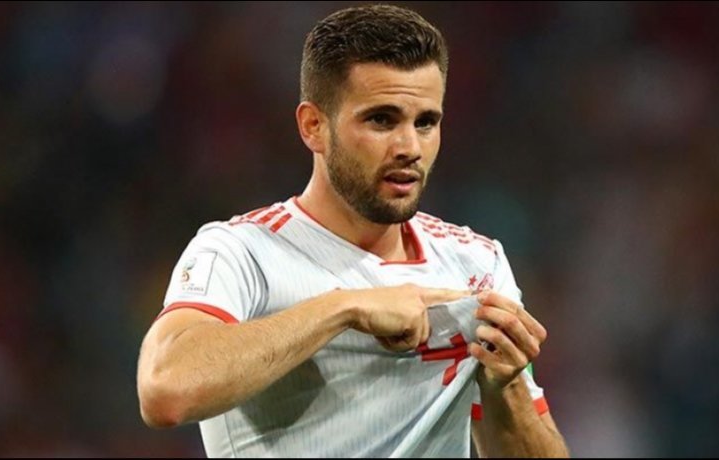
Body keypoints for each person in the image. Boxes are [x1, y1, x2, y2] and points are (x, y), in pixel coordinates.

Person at [136, 4, 569, 458]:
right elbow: (166, 391)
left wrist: (506, 388)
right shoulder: (241, 252)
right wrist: (345, 307)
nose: (409, 147)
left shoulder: (476, 265)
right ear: (313, 126)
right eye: (381, 119)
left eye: (426, 122)